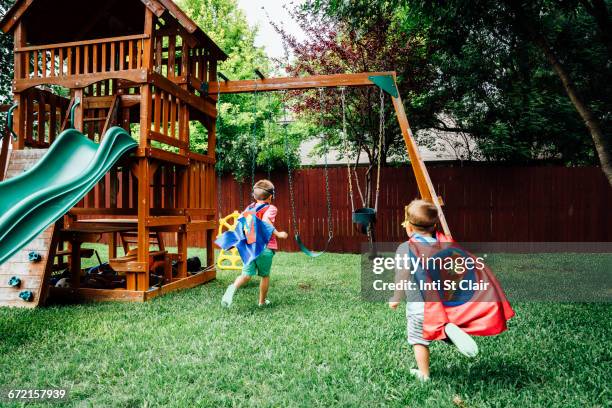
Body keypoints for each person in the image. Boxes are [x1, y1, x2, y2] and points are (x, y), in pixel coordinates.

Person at [389, 199, 479, 382]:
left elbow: (402, 276)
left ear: (409, 228)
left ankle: (424, 374)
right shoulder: (443, 244)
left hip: (419, 309)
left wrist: (396, 297)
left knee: (418, 340)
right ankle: (447, 333)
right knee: (436, 325)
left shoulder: (406, 248)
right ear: (434, 225)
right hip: (442, 307)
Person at [221, 179, 288, 308]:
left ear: (254, 196)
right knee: (265, 275)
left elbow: (241, 223)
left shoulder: (249, 207)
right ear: (271, 196)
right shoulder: (271, 207)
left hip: (249, 247)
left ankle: (232, 289)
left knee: (245, 275)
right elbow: (266, 220)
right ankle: (261, 302)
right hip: (265, 248)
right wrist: (279, 234)